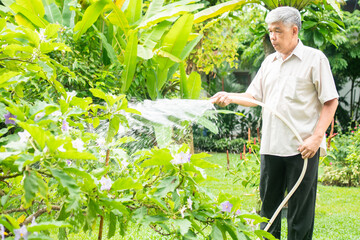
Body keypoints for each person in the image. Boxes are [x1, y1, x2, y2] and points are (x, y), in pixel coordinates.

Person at [210, 6, 339, 240]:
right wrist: (230, 97)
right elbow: (253, 98)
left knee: (300, 215)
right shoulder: (269, 62)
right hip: (271, 148)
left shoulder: (314, 59)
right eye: (270, 31)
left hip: (303, 149)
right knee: (267, 213)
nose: (272, 36)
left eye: (277, 31)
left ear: (294, 30)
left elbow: (331, 101)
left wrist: (317, 137)